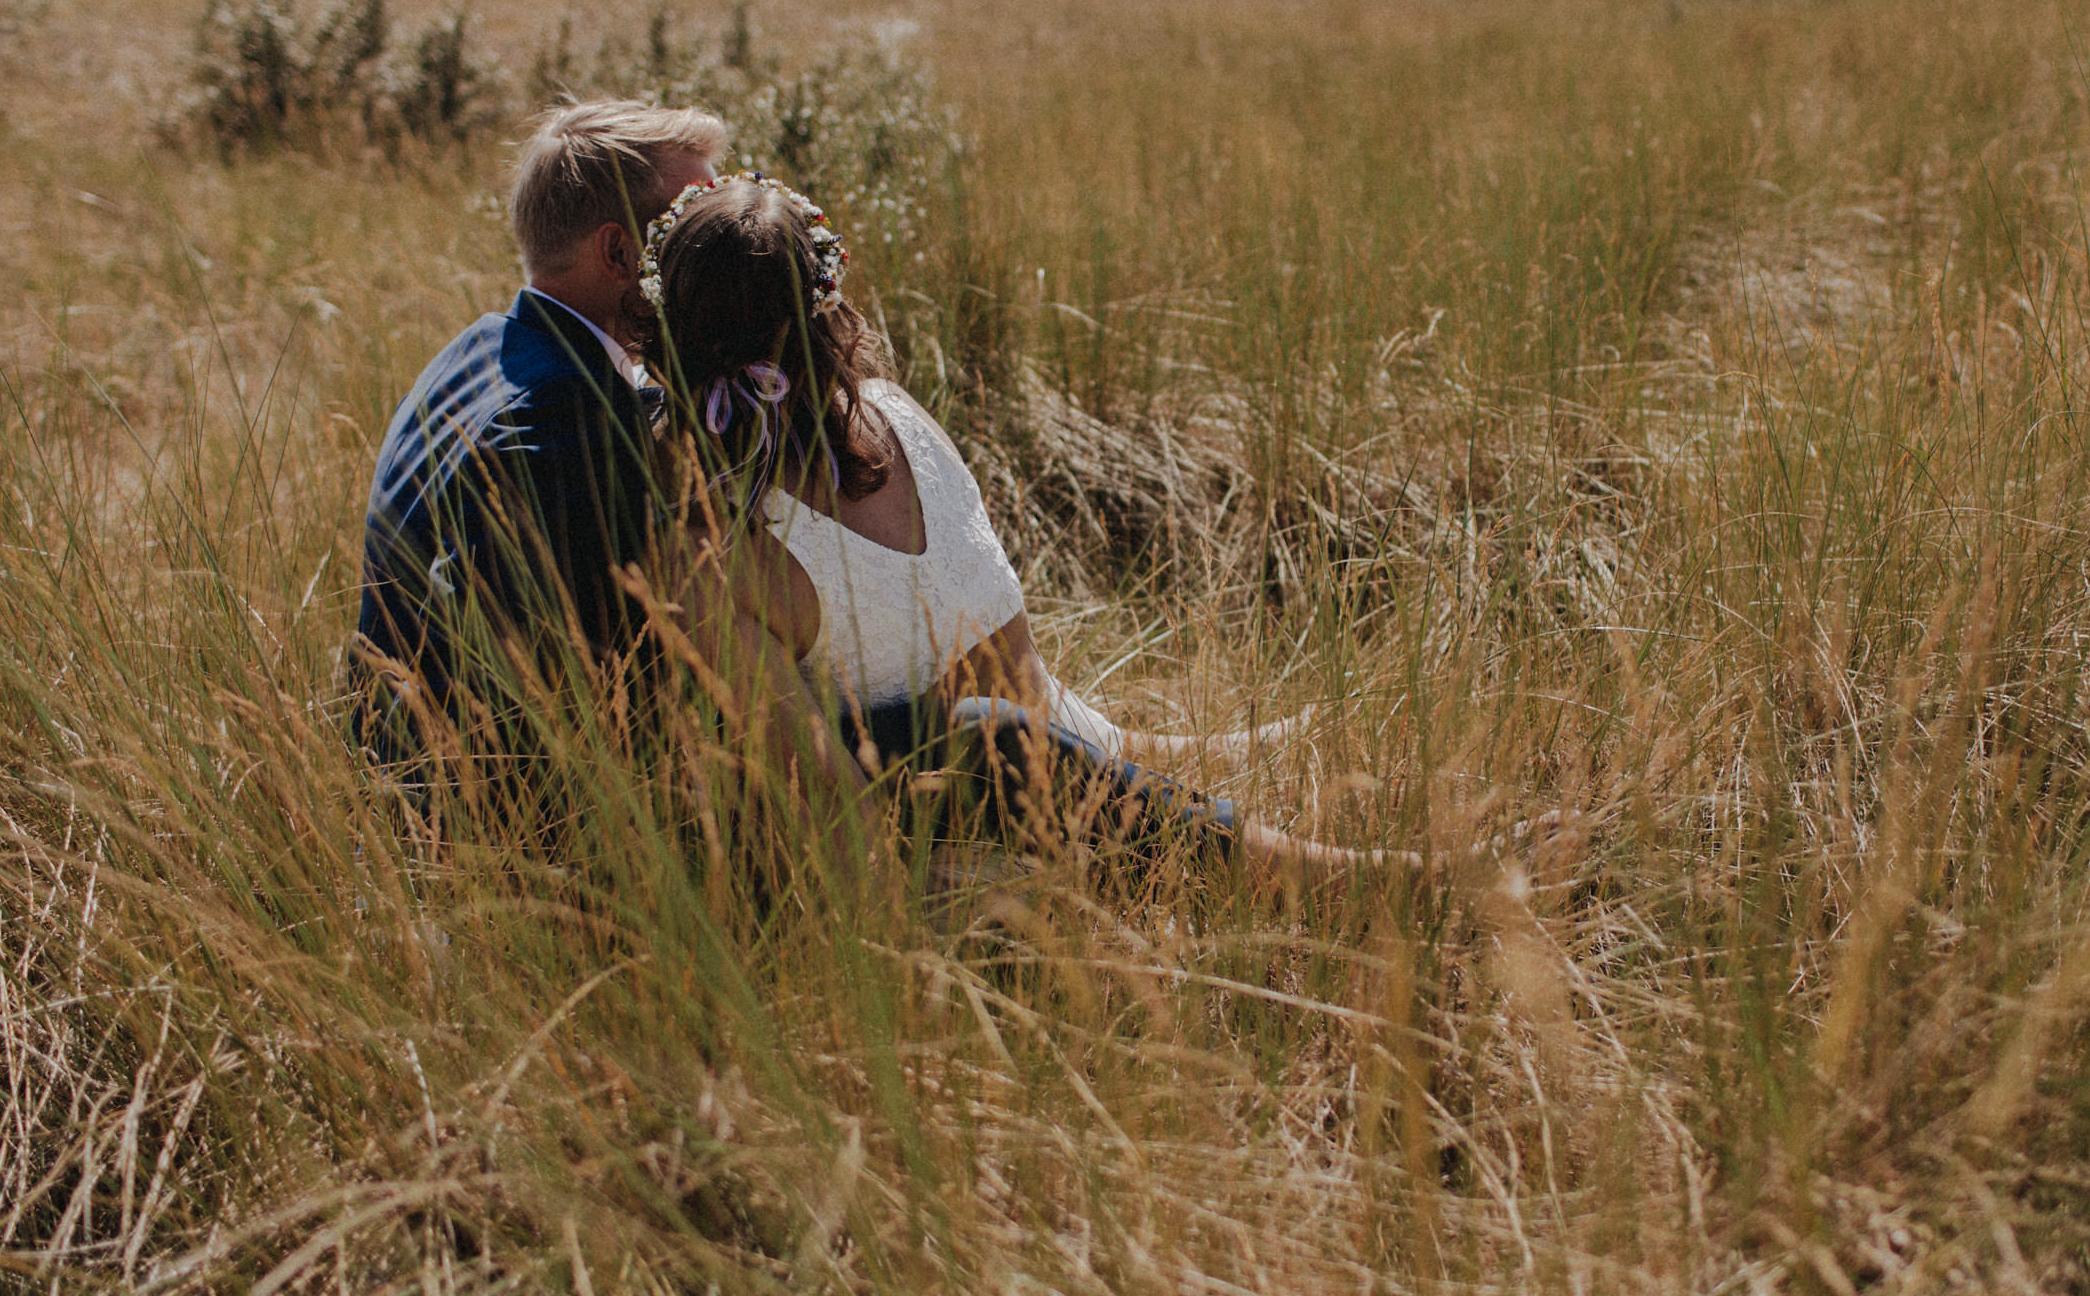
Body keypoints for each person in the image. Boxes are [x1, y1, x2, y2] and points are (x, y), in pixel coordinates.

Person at [644, 170, 1520, 875]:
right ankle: (1352, 878)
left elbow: (1002, 679)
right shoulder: (795, 478)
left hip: (1016, 756)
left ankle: (1199, 777)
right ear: (831, 306)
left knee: (1049, 737)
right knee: (1002, 735)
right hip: (954, 795)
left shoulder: (774, 484)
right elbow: (833, 792)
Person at [349, 101, 837, 803]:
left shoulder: (481, 347)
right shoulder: (564, 418)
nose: (715, 244)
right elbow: (588, 679)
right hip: (489, 825)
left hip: (400, 765)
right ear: (617, 253)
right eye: (685, 230)